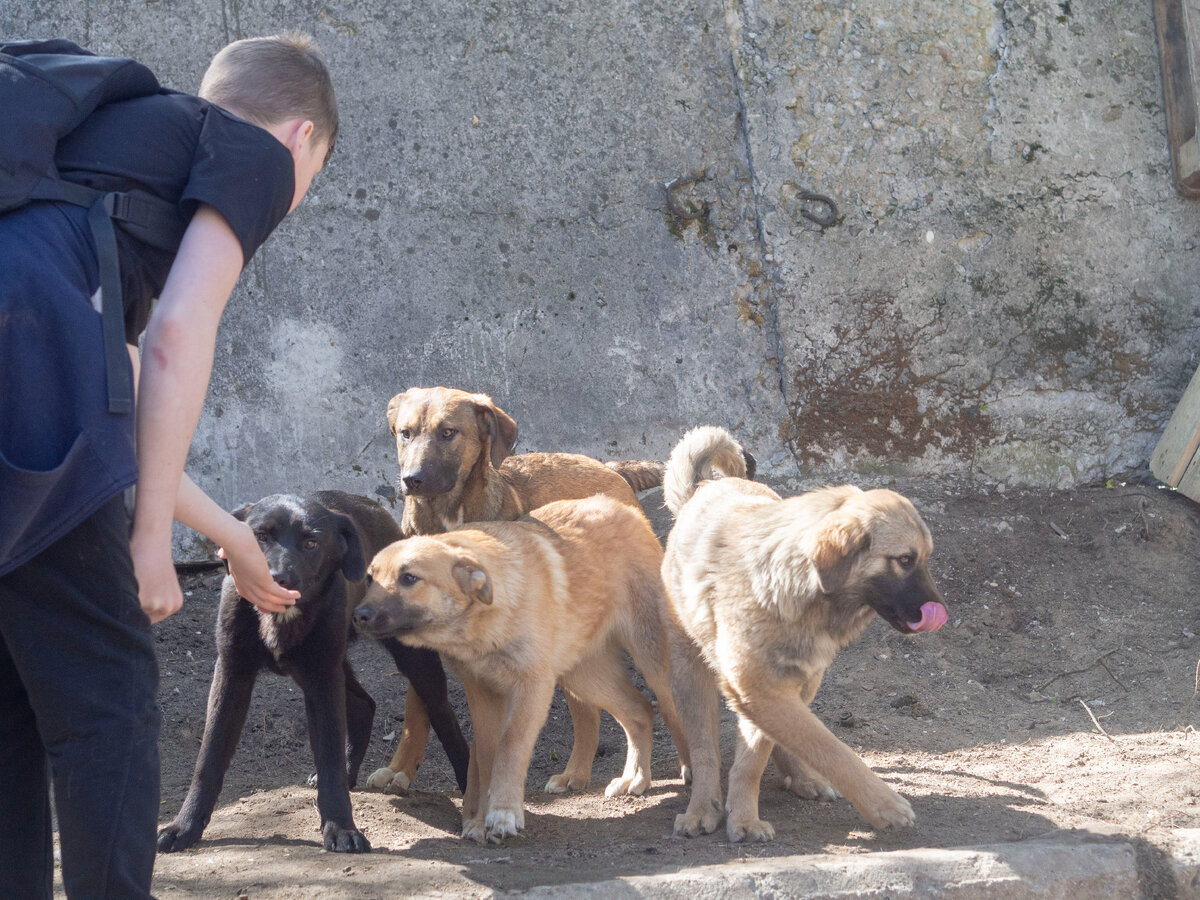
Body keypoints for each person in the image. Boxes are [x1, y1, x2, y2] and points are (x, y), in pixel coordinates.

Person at [0, 33, 337, 899]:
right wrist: (150, 539)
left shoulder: (88, 165)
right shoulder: (254, 152)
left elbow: (112, 415)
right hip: (26, 357)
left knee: (18, 686)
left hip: (30, 367)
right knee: (107, 702)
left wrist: (225, 531)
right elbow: (179, 335)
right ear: (301, 137)